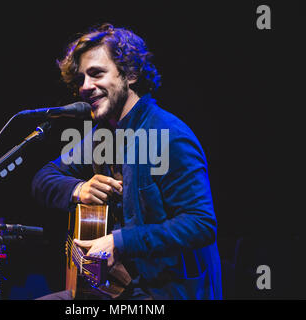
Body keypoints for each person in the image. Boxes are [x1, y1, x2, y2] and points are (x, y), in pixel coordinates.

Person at [32, 23, 222, 300]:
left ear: (130, 74)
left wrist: (119, 242)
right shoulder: (103, 136)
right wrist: (78, 189)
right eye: (80, 79)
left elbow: (201, 224)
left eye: (96, 74)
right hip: (118, 289)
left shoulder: (169, 136)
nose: (85, 87)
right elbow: (44, 178)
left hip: (165, 292)